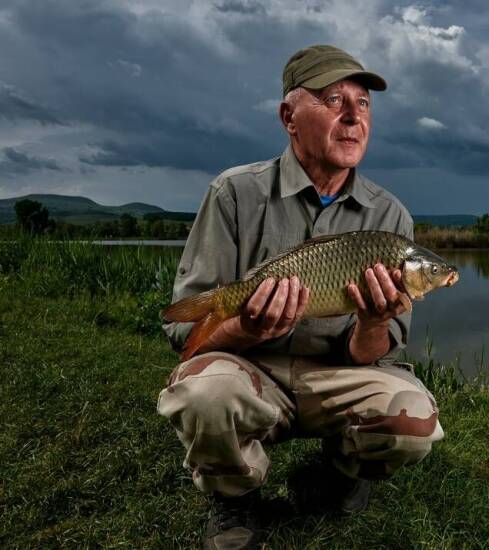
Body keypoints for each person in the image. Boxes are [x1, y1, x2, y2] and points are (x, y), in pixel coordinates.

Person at [158, 45, 445, 550]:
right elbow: (184, 333)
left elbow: (377, 355)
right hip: (252, 372)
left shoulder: (391, 217)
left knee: (413, 420)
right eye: (334, 99)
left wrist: (373, 322)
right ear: (289, 116)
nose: (354, 116)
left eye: (364, 103)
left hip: (340, 374)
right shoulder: (233, 192)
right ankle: (234, 497)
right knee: (203, 393)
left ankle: (336, 474)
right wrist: (245, 326)